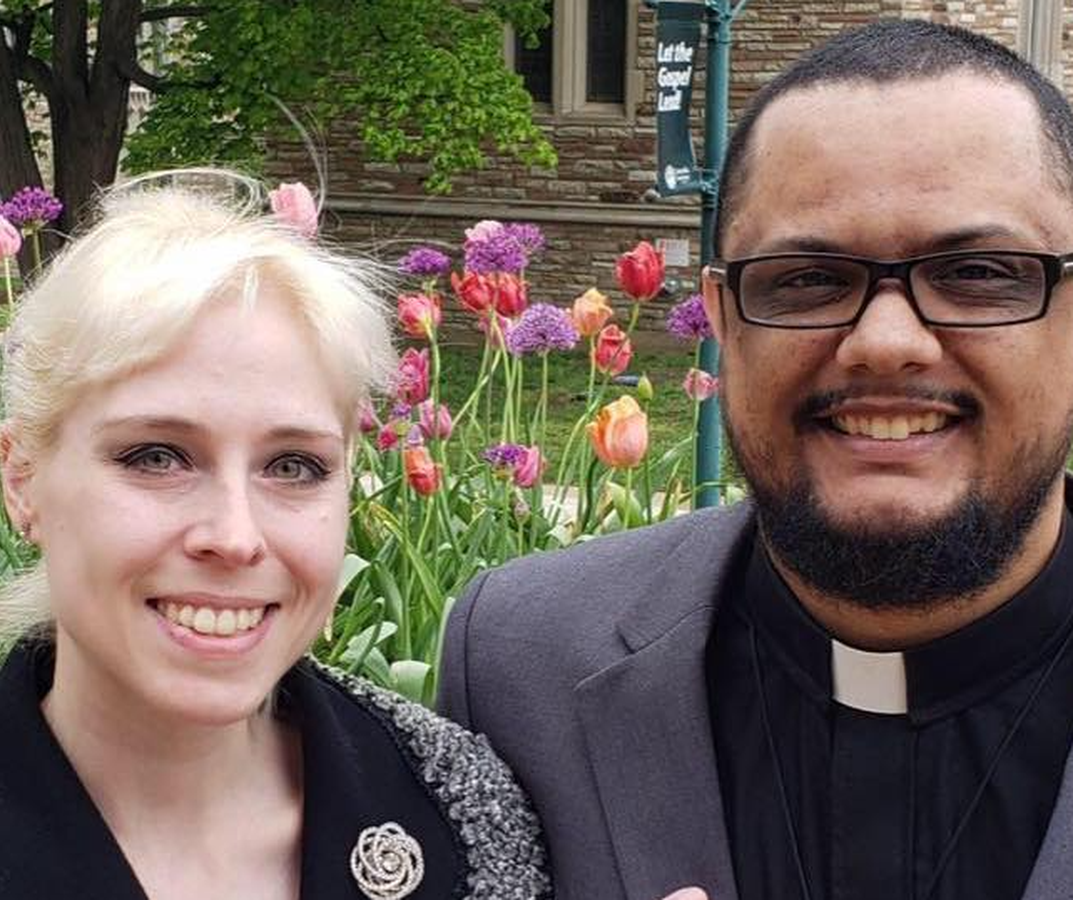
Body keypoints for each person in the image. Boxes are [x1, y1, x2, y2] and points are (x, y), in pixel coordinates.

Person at [439, 20, 1073, 900]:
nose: (885, 343)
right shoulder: (522, 660)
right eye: (808, 280)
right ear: (723, 318)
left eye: (977, 273)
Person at [0, 178, 550, 899]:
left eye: (294, 466)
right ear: (22, 481)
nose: (235, 537)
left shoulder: (463, 820)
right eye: (156, 457)